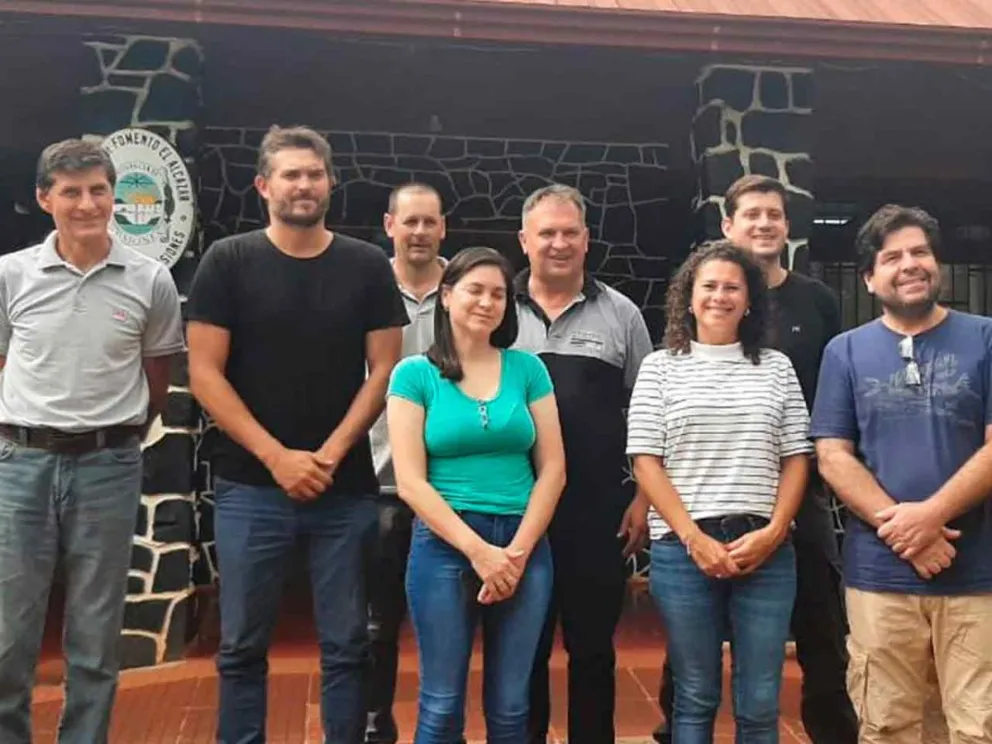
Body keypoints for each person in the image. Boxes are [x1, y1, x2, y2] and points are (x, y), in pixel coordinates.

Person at [186, 125, 408, 744]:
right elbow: (203, 373)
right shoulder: (228, 261)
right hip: (249, 485)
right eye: (290, 174)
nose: (303, 185)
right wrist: (277, 456)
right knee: (240, 647)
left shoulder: (365, 265)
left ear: (331, 183)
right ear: (264, 186)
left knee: (346, 646)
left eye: (314, 174)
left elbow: (385, 367)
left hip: (345, 489)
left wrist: (331, 453)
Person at [653, 174, 857, 744]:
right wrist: (686, 529)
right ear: (728, 225)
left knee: (818, 622)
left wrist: (782, 519)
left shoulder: (815, 300)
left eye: (774, 214)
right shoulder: (670, 356)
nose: (764, 223)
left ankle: (832, 732)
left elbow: (830, 394)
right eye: (751, 214)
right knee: (691, 668)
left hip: (796, 495)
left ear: (787, 226)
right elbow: (651, 447)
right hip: (697, 509)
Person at [0, 139, 184, 743]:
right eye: (71, 191)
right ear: (43, 198)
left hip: (108, 464)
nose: (87, 203)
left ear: (114, 195)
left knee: (95, 634)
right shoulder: (10, 274)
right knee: (8, 632)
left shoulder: (149, 279)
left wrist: (121, 432)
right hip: (20, 464)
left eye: (99, 189)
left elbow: (158, 375)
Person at [811, 204, 992, 744]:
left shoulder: (984, 338)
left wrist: (930, 517)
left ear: (937, 264)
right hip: (880, 577)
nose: (909, 264)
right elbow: (833, 456)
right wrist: (908, 536)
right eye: (893, 257)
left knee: (978, 726)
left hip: (978, 572)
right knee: (886, 725)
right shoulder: (844, 351)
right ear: (869, 278)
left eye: (920, 252)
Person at [629, 241, 812, 744]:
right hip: (683, 550)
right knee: (695, 695)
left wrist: (775, 532)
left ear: (750, 299)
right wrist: (692, 538)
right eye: (708, 286)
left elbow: (796, 456)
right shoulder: (660, 367)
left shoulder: (776, 368)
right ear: (688, 298)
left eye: (733, 287)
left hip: (766, 549)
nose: (720, 296)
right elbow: (646, 460)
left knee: (759, 700)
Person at [387, 246, 566, 743]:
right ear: (446, 296)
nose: (487, 302)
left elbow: (553, 469)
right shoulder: (413, 375)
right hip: (446, 544)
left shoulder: (529, 370)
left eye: (499, 294)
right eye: (475, 290)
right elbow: (410, 482)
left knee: (512, 707)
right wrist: (480, 553)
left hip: (523, 544)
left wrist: (516, 553)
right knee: (442, 706)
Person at [513, 183, 653, 744]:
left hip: (599, 516)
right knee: (522, 649)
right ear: (524, 241)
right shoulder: (497, 310)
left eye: (570, 232)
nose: (559, 243)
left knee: (593, 649)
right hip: (515, 510)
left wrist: (644, 498)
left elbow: (649, 415)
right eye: (546, 233)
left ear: (587, 239)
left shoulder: (622, 314)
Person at [365, 182, 450, 744]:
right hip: (380, 479)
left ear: (443, 228)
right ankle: (374, 724)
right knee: (375, 621)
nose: (419, 232)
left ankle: (443, 727)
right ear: (390, 225)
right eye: (409, 221)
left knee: (452, 622)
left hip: (453, 484)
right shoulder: (364, 288)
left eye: (430, 222)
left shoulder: (468, 290)